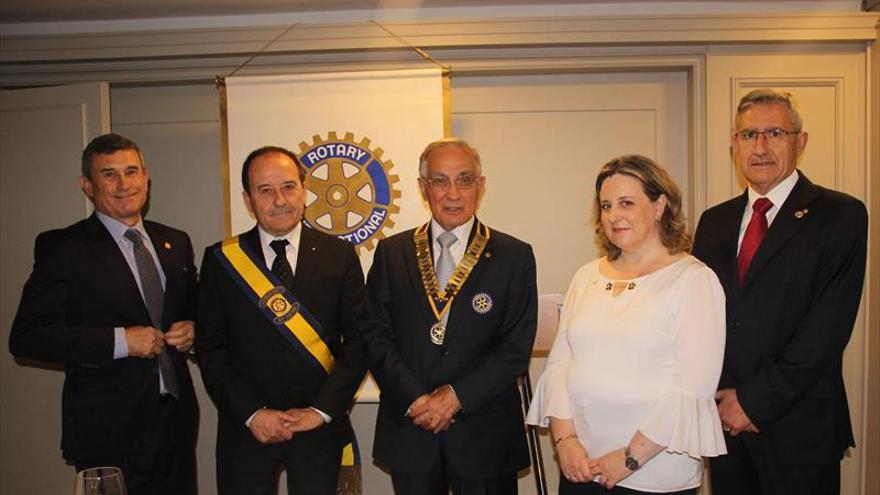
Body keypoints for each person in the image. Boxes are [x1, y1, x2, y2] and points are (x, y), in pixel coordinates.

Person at [692, 89, 868, 495]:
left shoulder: (840, 215)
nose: (761, 147)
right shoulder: (713, 222)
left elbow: (825, 332)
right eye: (748, 135)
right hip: (726, 428)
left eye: (775, 132)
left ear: (800, 142)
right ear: (734, 145)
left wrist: (752, 403)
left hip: (799, 429)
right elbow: (701, 318)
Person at [9, 133, 199, 495]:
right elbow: (28, 336)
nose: (124, 183)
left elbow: (192, 310)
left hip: (174, 422)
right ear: (88, 185)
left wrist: (192, 330)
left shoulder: (175, 242)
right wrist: (121, 341)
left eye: (131, 171)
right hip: (107, 431)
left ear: (146, 177)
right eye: (109, 174)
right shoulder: (64, 248)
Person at [527, 155, 727, 495]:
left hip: (655, 474)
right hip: (582, 466)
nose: (613, 215)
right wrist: (565, 441)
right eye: (606, 205)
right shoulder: (586, 276)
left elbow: (691, 389)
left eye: (627, 203)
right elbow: (561, 364)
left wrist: (630, 458)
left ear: (660, 205)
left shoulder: (694, 280)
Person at [365, 137, 538, 494]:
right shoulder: (391, 253)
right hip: (412, 430)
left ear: (481, 184)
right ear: (422, 187)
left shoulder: (513, 255)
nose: (453, 193)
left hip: (484, 435)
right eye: (440, 181)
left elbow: (515, 348)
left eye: (464, 179)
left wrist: (454, 398)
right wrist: (418, 400)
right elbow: (374, 335)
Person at [196, 145, 367, 495]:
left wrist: (319, 411)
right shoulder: (221, 260)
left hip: (318, 429)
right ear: (247, 199)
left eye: (289, 186)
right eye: (265, 190)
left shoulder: (340, 256)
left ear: (304, 191)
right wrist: (252, 414)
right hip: (246, 431)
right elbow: (211, 348)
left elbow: (360, 343)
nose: (280, 199)